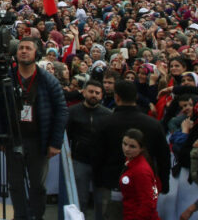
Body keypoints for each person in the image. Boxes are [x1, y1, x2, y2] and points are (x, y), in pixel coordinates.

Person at [0, 38, 69, 220]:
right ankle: (20, 216)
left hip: (38, 141)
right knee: (15, 184)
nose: (24, 51)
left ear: (36, 53)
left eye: (28, 48)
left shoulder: (49, 81)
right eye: (21, 48)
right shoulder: (6, 78)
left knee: (37, 186)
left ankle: (36, 216)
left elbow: (61, 111)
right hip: (12, 139)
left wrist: (55, 142)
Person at [92, 79, 170, 220]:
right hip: (142, 187)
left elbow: (97, 155)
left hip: (112, 184)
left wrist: (98, 181)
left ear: (117, 97)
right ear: (136, 97)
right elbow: (164, 157)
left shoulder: (104, 123)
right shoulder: (153, 124)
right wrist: (163, 184)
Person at [67, 79, 112, 220]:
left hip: (102, 164)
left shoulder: (108, 114)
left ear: (101, 95)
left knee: (102, 202)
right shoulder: (73, 112)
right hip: (80, 161)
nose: (94, 95)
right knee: (80, 200)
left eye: (97, 93)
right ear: (84, 92)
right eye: (91, 92)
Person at [119, 128, 160, 220]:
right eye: (124, 144)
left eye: (132, 146)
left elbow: (148, 203)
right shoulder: (132, 161)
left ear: (141, 148)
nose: (126, 149)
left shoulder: (141, 171)